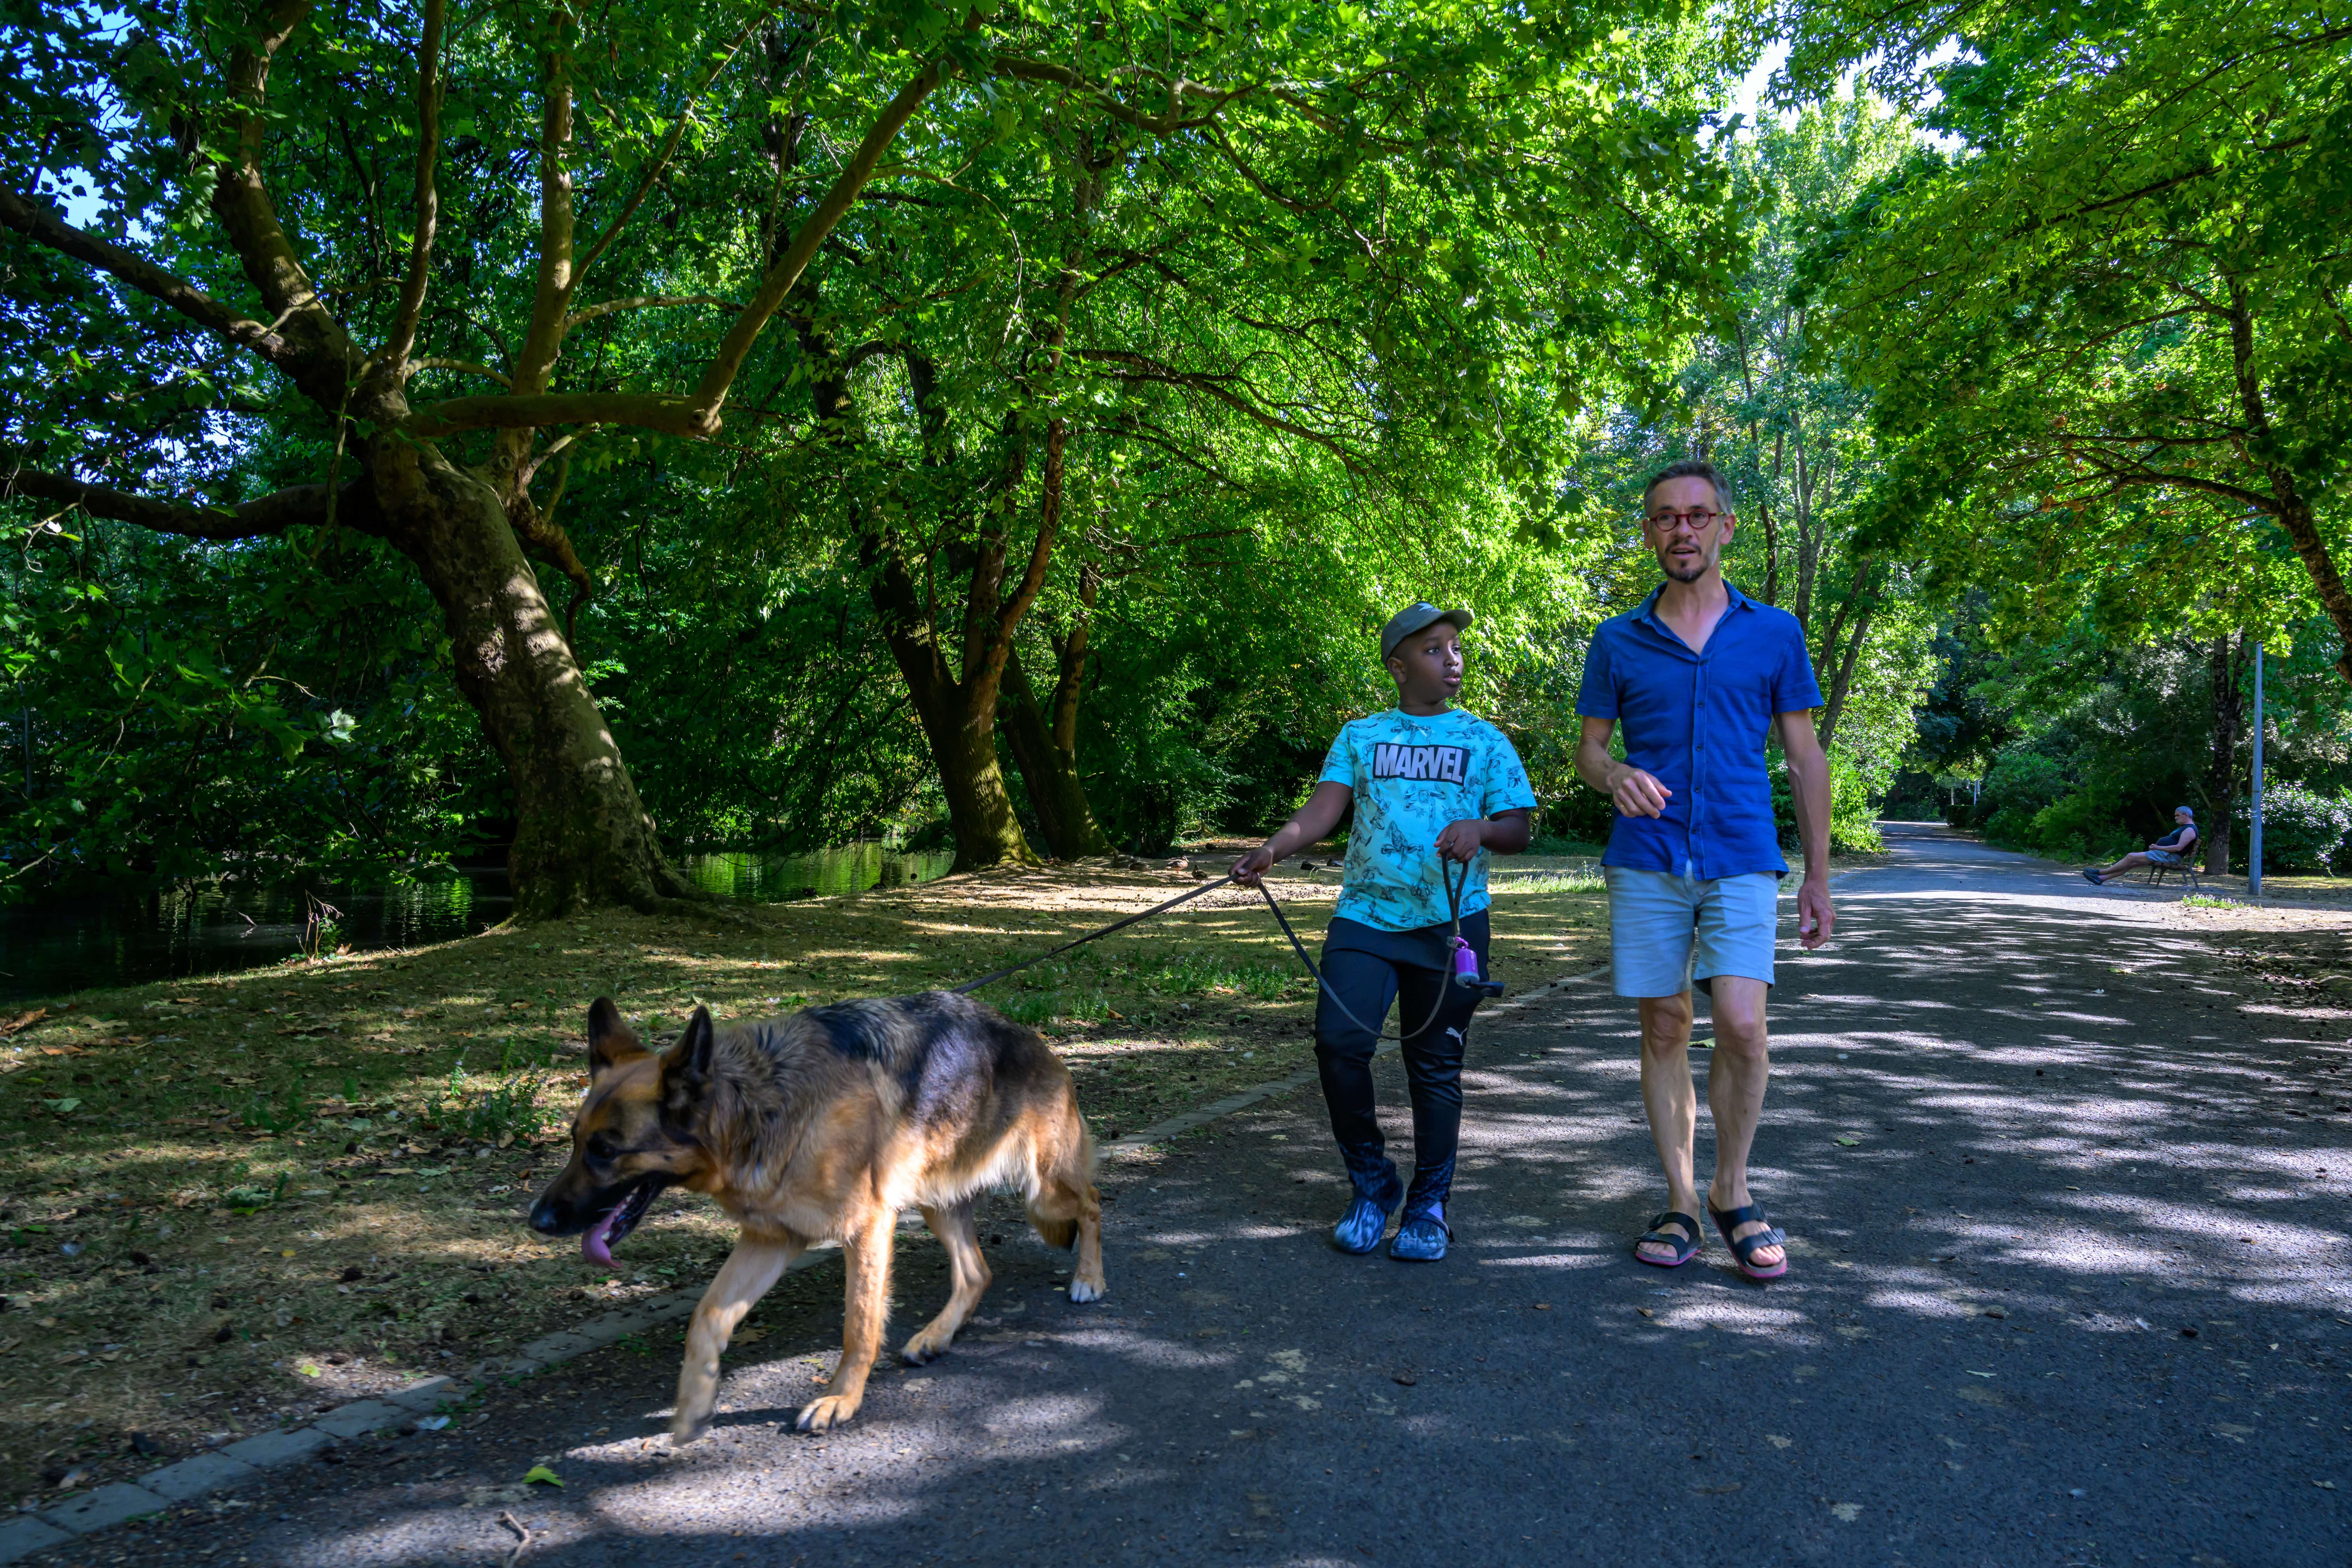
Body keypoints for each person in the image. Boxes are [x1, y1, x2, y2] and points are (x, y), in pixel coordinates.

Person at [1573, 459, 1835, 1281]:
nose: (1680, 528)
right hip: (1648, 859)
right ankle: (1683, 1199)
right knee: (1663, 1026)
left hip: (1741, 853)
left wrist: (1820, 878)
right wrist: (1615, 777)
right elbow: (1588, 750)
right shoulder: (1617, 638)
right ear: (1648, 532)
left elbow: (1804, 758)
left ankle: (1734, 1187)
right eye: (1663, 517)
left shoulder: (1774, 632)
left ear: (1724, 527)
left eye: (1696, 515)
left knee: (1743, 1025)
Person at [1234, 602, 1536, 1261]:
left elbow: (1517, 827)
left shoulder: (1484, 740)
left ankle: (1429, 1206)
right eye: (1434, 649)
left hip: (1450, 926)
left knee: (1434, 1066)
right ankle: (1372, 1184)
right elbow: (1321, 812)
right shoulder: (1361, 735)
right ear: (1398, 667)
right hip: (1365, 918)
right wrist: (1271, 850)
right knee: (1339, 1044)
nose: (1451, 658)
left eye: (1455, 647)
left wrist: (1479, 830)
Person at [2083, 808, 2199, 885]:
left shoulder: (2189, 830)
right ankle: (2100, 879)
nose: (2176, 818)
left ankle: (2100, 872)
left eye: (2178, 816)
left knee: (2130, 857)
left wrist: (2158, 848)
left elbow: (2179, 848)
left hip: (2170, 857)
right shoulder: (2186, 828)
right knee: (2132, 863)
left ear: (2186, 815)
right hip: (2165, 855)